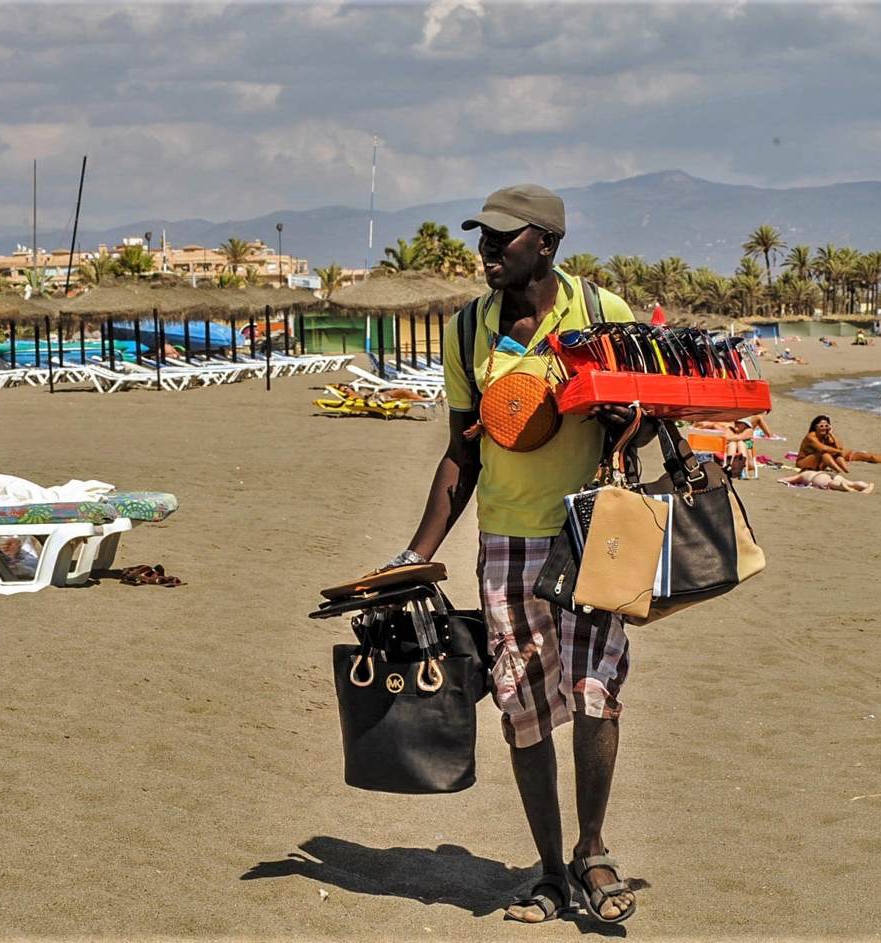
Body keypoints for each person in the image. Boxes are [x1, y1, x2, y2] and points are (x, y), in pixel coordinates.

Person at [382, 184, 641, 924]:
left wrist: (628, 419)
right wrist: (414, 554)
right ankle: (552, 872)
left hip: (594, 531)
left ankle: (593, 851)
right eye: (484, 237)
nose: (488, 250)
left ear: (547, 244)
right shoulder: (469, 331)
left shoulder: (600, 316)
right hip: (505, 539)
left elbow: (644, 428)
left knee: (595, 693)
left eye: (504, 237)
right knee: (523, 707)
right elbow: (458, 457)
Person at [796, 415, 881, 474]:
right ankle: (841, 471)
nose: (824, 428)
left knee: (862, 455)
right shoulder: (811, 436)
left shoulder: (827, 435)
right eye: (821, 426)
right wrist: (838, 452)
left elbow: (839, 447)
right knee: (825, 454)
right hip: (805, 462)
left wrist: (831, 434)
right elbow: (822, 449)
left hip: (824, 458)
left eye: (826, 426)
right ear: (815, 426)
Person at [778, 469, 874, 494]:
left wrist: (781, 480)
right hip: (828, 473)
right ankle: (866, 486)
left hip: (818, 478)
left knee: (830, 483)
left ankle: (843, 487)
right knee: (850, 482)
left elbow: (785, 480)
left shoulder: (803, 475)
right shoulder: (812, 471)